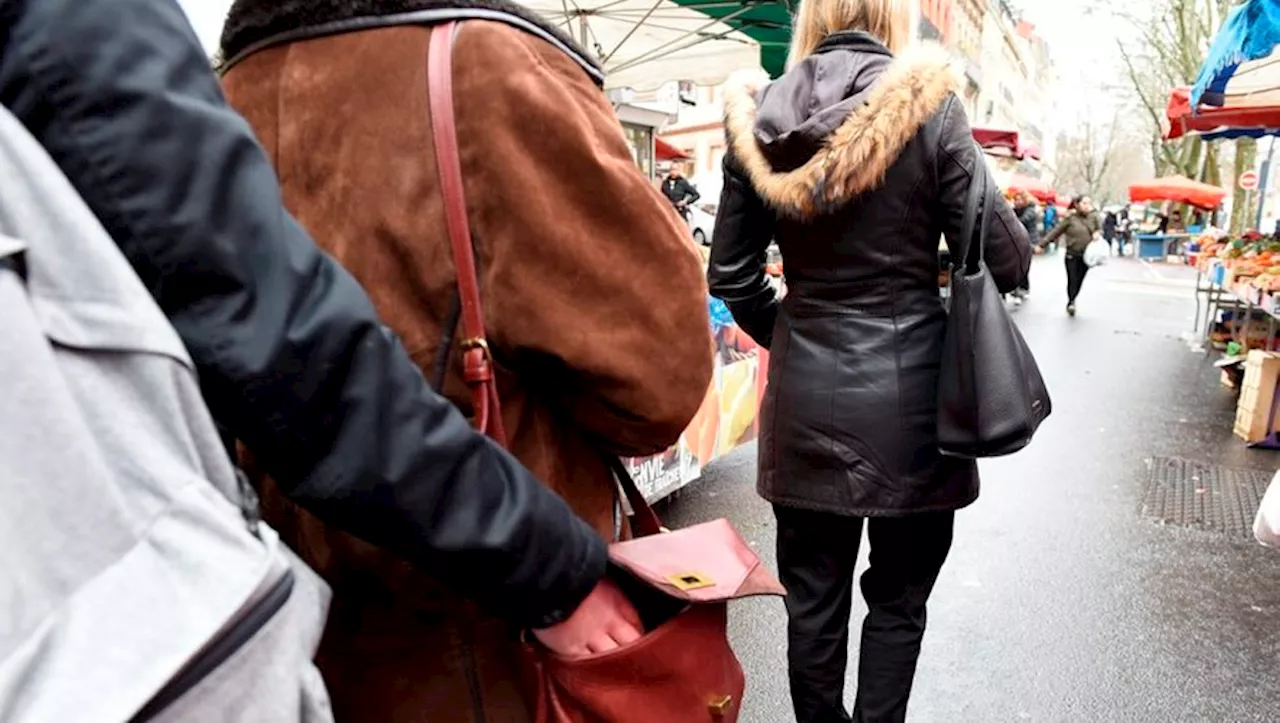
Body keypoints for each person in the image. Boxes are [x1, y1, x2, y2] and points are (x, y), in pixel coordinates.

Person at [0, 0, 646, 705]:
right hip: (482, 628)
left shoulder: (233, 75)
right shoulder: (493, 61)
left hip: (283, 609)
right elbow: (658, 378)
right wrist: (552, 563)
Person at [217, 1, 715, 720]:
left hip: (278, 652)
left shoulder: (204, 103)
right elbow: (660, 380)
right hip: (502, 646)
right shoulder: (485, 66)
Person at [710, 0, 1031, 720]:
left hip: (803, 409)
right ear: (895, 18)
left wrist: (794, 331)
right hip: (916, 411)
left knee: (812, 606)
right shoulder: (931, 107)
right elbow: (1009, 257)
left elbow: (730, 276)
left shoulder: (759, 117)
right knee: (898, 601)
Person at [1042, 195, 1101, 316]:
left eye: (1089, 203)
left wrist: (1097, 233)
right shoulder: (1070, 218)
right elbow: (1056, 231)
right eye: (1084, 203)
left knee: (1079, 279)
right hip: (1072, 253)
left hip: (1087, 255)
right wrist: (1042, 244)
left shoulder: (1094, 216)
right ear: (1077, 204)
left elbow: (1100, 229)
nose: (1087, 206)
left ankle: (1073, 297)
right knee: (1072, 278)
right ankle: (1071, 301)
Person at [1013, 191, 1041, 301]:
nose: (1017, 202)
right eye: (1015, 199)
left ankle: (1023, 287)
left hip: (1028, 241)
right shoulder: (1014, 211)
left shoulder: (1030, 210)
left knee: (1023, 265)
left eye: (1019, 199)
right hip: (1017, 241)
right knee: (1017, 264)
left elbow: (1023, 220)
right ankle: (1018, 287)